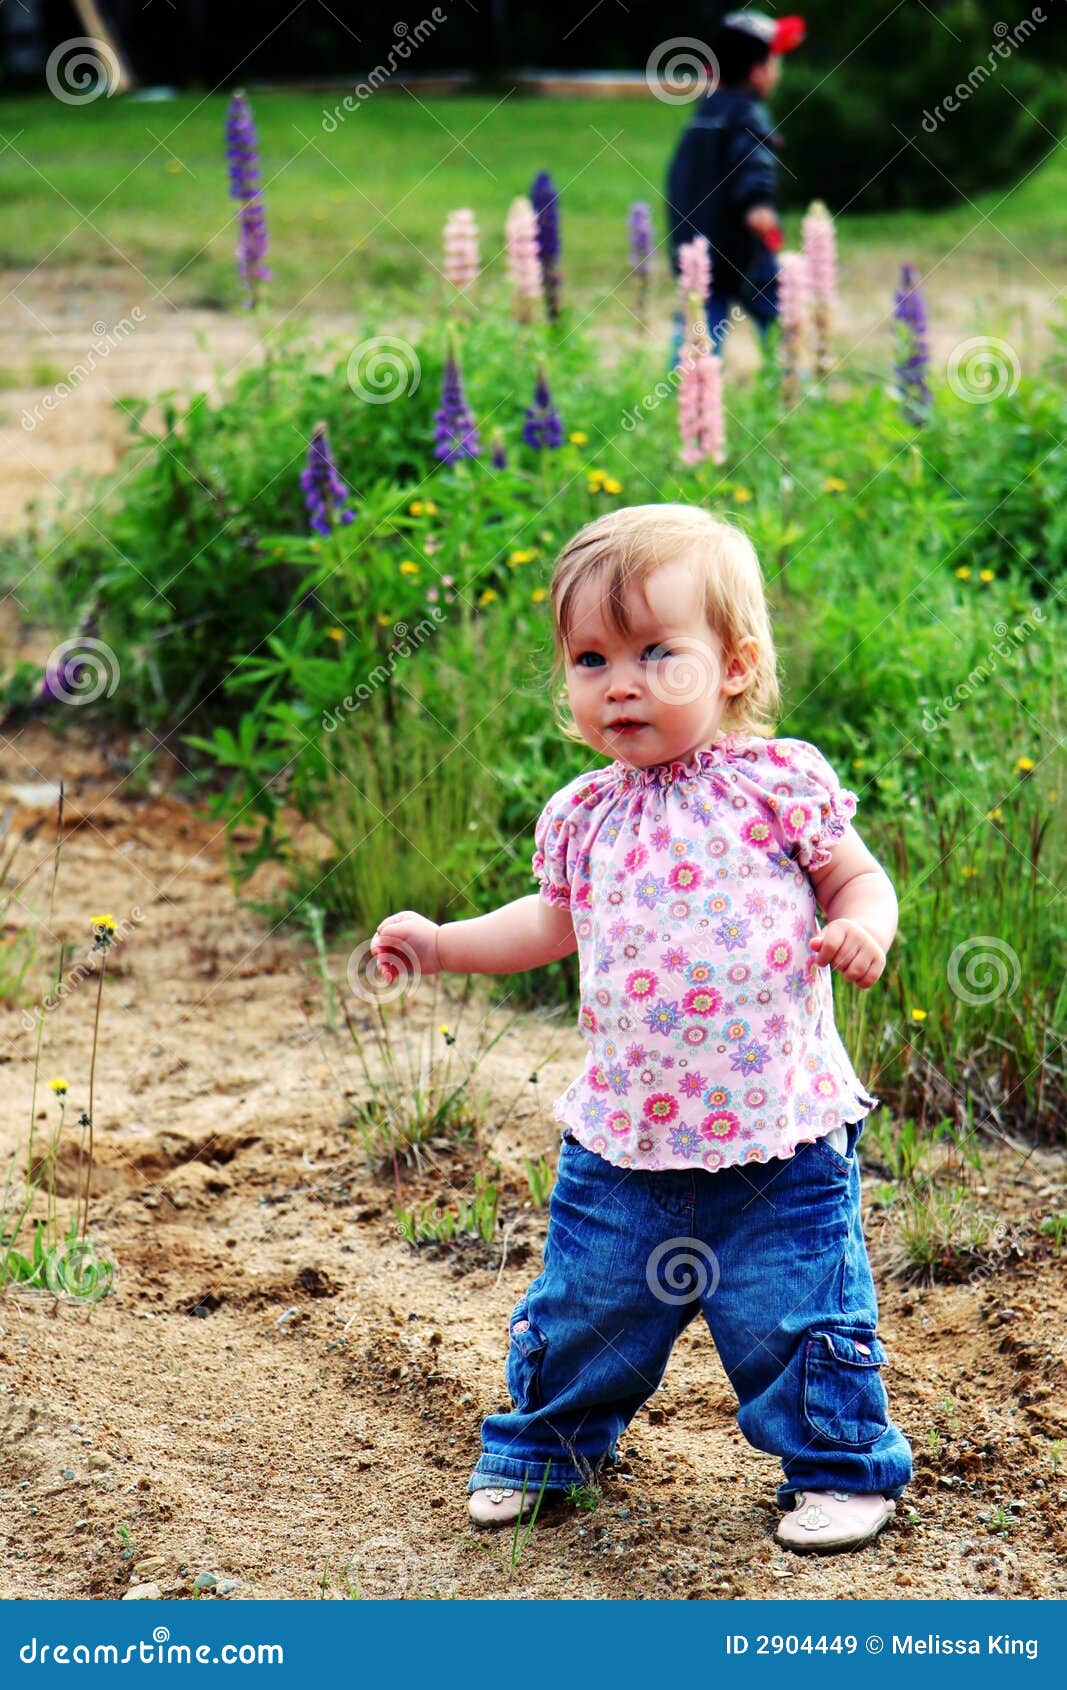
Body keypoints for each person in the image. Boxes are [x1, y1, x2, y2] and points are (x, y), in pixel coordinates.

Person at [370, 503, 913, 1556]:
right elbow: (547, 922)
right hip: (625, 1135)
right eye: (589, 657)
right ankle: (544, 1447)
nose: (617, 681)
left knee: (794, 1311)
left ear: (734, 667)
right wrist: (441, 942)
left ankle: (839, 1465)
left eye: (656, 652)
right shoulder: (583, 812)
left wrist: (858, 925)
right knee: (588, 1304)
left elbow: (855, 874)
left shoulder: (774, 783)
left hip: (780, 1134)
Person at [666, 10, 806, 350]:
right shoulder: (748, 115)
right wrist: (758, 203)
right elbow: (754, 161)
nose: (779, 71)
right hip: (741, 249)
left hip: (697, 247)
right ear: (759, 72)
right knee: (777, 314)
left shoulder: (704, 114)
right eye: (776, 61)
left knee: (699, 324)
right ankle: (791, 386)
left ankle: (682, 389)